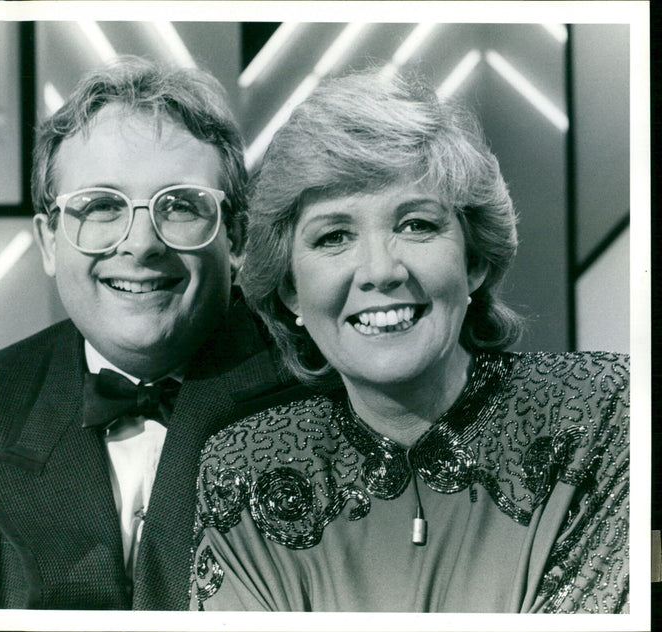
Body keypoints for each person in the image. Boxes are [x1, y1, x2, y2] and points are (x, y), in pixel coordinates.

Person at [189, 68, 629, 613]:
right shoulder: (245, 465)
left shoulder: (605, 407)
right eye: (334, 236)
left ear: (472, 260)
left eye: (416, 225)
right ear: (290, 291)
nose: (380, 271)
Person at [0, 56, 306, 610]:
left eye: (179, 206)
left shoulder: (322, 393)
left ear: (237, 237)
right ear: (48, 241)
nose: (140, 244)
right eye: (101, 206)